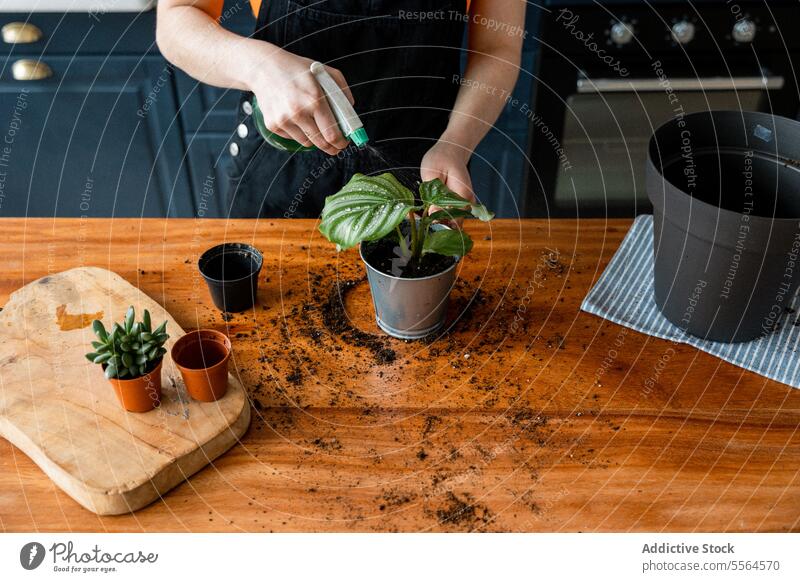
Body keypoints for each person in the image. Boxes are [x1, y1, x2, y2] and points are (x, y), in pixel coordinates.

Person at [157, 0, 525, 218]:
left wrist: (456, 142)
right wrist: (259, 66)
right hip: (280, 161)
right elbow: (178, 18)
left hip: (424, 157)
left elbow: (497, 47)